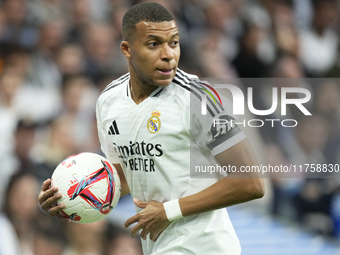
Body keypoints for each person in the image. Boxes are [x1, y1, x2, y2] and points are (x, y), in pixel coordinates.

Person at [38, 2, 265, 254]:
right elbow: (126, 176)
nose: (168, 54)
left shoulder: (198, 98)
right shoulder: (109, 101)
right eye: (154, 44)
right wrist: (68, 198)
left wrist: (169, 211)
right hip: (159, 245)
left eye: (174, 42)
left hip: (203, 245)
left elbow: (251, 183)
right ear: (127, 49)